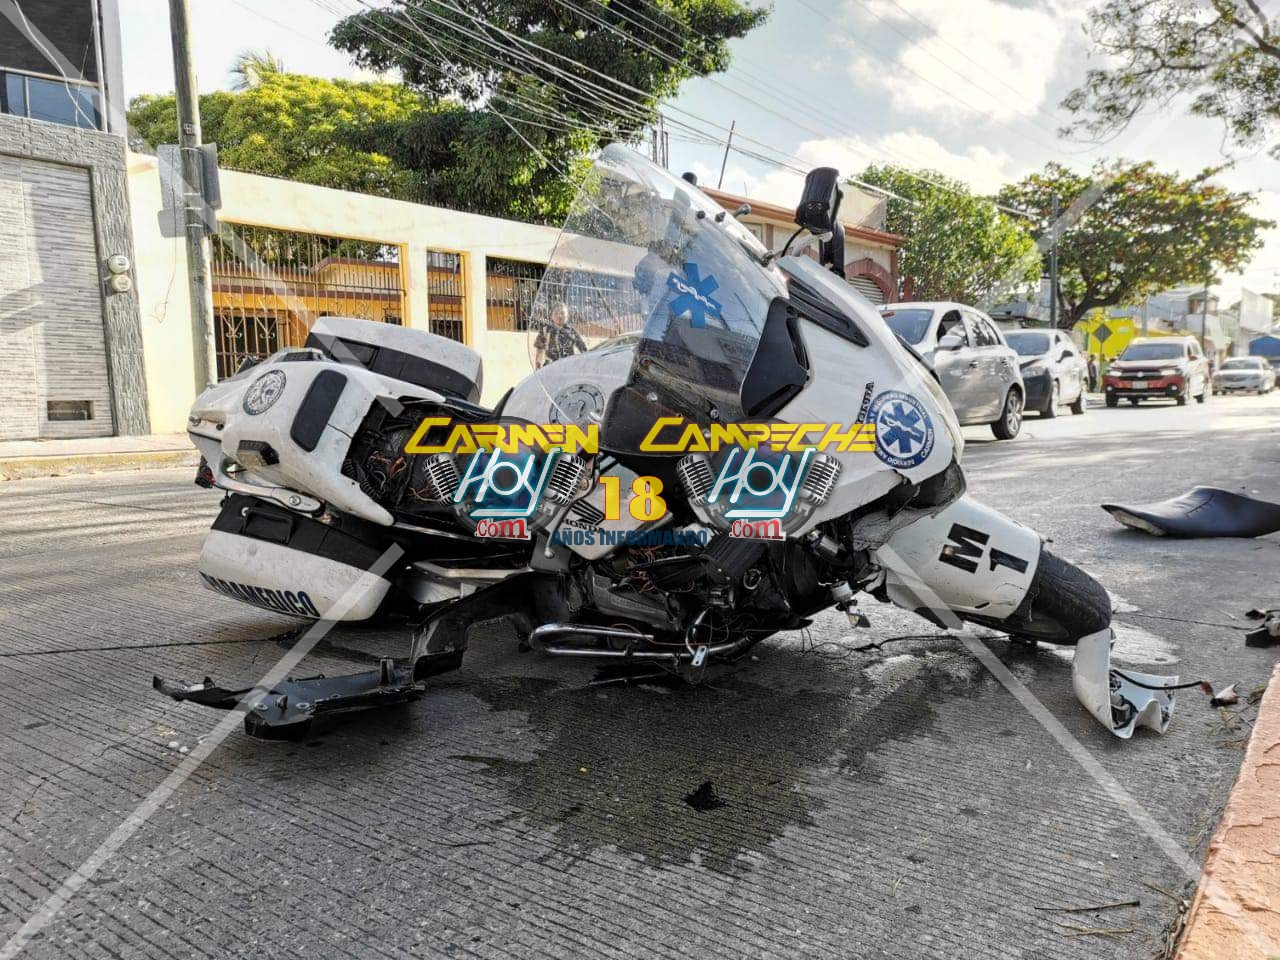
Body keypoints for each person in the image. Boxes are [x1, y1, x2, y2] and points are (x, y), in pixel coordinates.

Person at [533, 302, 587, 367]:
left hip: (568, 366)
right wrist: (538, 367)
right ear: (551, 316)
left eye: (562, 313)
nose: (559, 316)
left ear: (567, 316)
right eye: (556, 313)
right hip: (550, 366)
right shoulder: (545, 330)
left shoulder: (572, 331)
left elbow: (583, 349)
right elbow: (539, 350)